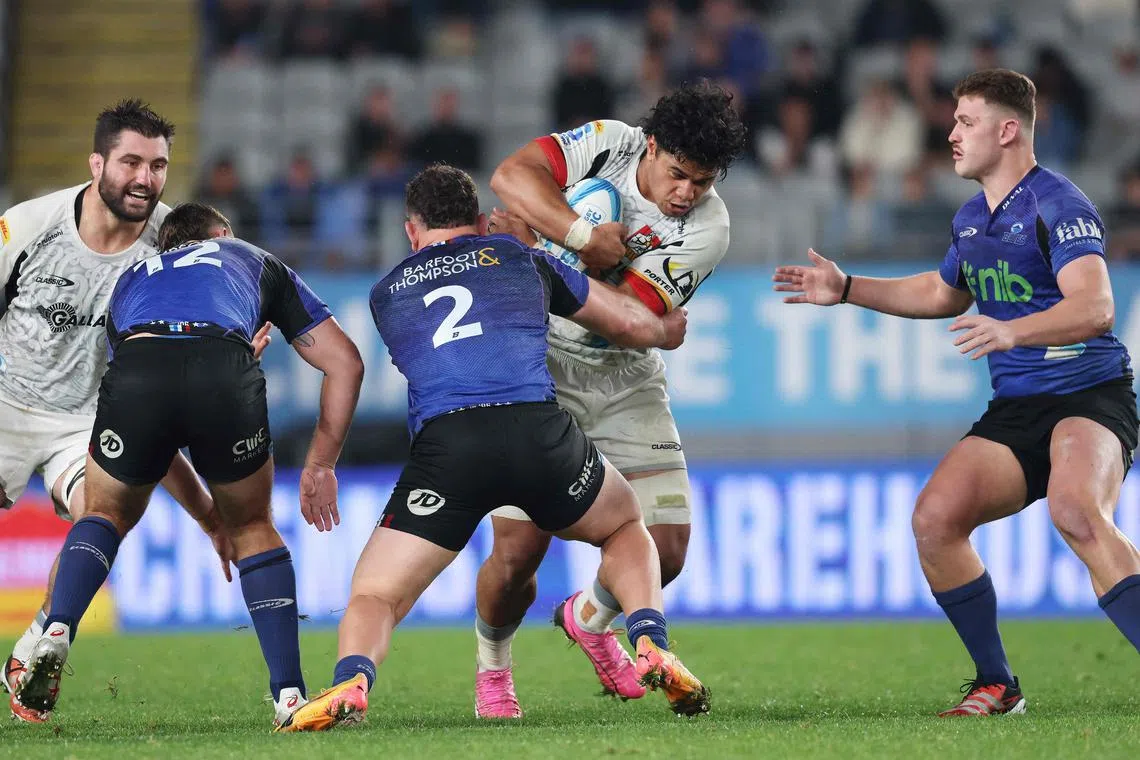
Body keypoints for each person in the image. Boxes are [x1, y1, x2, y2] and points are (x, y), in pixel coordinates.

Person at [277, 165, 708, 732]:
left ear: (411, 232)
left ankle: (353, 680)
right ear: (480, 222)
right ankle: (649, 640)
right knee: (626, 527)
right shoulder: (521, 259)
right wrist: (663, 330)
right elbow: (623, 323)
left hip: (448, 451)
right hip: (537, 432)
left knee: (376, 593)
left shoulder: (386, 294)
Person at [774, 69, 1140, 716]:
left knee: (1077, 508)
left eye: (966, 121)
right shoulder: (973, 217)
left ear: (1007, 130)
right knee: (935, 520)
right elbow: (943, 293)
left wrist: (1013, 331)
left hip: (1088, 392)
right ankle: (997, 684)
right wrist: (849, 287)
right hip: (1019, 406)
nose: (951, 133)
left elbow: (1096, 308)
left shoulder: (1060, 203)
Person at [10, 202, 365, 727]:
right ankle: (289, 698)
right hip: (222, 363)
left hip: (138, 365)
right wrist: (320, 464)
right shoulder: (250, 256)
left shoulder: (131, 281)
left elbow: (162, 433)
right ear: (221, 233)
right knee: (253, 528)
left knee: (104, 513)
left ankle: (57, 628)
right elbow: (346, 362)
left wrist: (204, 516)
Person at [473, 82, 744, 715]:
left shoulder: (710, 228)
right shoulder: (608, 145)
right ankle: (493, 667)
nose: (686, 195)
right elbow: (511, 176)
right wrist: (579, 233)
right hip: (539, 369)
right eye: (678, 175)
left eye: (702, 183)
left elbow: (627, 319)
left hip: (625, 376)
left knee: (667, 547)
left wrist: (540, 246)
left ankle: (589, 620)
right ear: (650, 147)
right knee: (516, 556)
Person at [0, 100, 247, 722]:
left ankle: (44, 640)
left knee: (104, 516)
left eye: (158, 165)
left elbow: (157, 407)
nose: (145, 178)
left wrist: (209, 515)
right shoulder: (26, 227)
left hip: (87, 419)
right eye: (132, 161)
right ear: (97, 163)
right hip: (4, 400)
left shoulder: (171, 250)